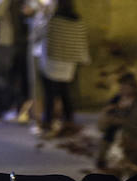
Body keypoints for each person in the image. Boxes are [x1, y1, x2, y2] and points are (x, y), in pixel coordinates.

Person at [37, 0, 88, 134]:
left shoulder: (53, 20)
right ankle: (69, 121)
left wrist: (43, 13)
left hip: (52, 61)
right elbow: (81, 41)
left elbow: (40, 34)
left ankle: (47, 121)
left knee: (50, 94)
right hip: (69, 63)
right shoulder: (78, 21)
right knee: (65, 93)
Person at [96, 70, 137, 174]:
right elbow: (102, 125)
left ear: (133, 88)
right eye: (121, 86)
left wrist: (122, 121)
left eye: (126, 86)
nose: (122, 89)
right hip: (113, 140)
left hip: (134, 139)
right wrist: (107, 114)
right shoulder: (115, 100)